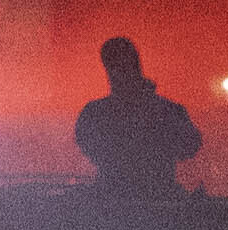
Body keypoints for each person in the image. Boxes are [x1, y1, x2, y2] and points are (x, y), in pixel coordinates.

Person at [73, 35, 206, 193]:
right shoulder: (169, 111)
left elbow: (90, 147)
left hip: (115, 201)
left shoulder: (95, 113)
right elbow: (190, 146)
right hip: (159, 200)